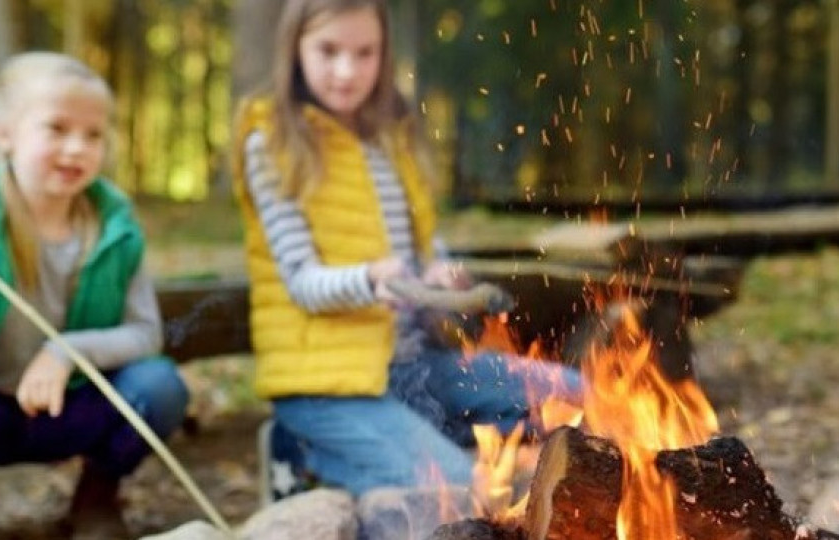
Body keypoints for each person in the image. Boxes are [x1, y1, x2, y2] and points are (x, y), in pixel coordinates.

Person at [232, 0, 582, 500]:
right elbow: (302, 284)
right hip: (329, 384)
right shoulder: (273, 140)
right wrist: (371, 280)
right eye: (328, 51)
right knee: (457, 494)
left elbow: (418, 243)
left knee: (577, 396)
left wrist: (436, 271)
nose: (346, 70)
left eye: (364, 53)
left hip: (414, 369)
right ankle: (305, 447)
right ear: (295, 49)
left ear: (383, 53)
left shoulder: (391, 134)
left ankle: (398, 441)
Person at [0, 52, 189, 539]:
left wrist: (66, 351)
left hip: (75, 406)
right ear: (5, 134)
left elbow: (146, 334)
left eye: (93, 134)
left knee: (158, 387)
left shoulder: (115, 227)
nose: (76, 148)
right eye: (56, 129)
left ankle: (97, 498)